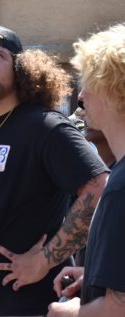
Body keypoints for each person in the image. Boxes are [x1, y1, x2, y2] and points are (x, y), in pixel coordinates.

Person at [0, 25, 108, 317]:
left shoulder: (45, 127)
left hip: (25, 305)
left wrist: (44, 258)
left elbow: (100, 189)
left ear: (21, 70)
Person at [47, 23, 125, 317]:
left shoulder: (120, 186)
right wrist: (94, 275)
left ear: (109, 89)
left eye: (89, 83)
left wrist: (63, 312)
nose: (82, 97)